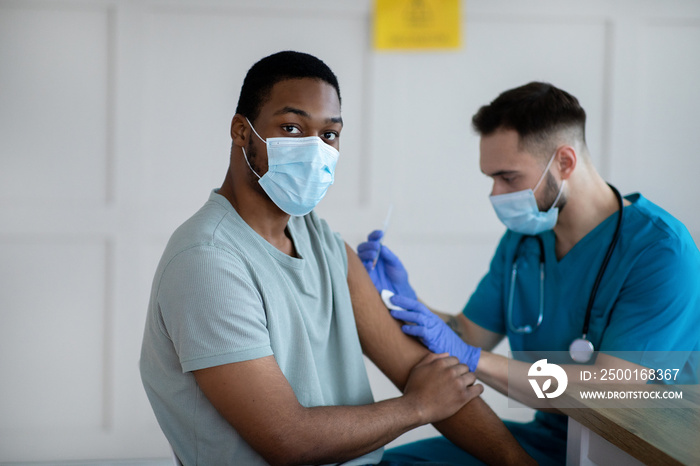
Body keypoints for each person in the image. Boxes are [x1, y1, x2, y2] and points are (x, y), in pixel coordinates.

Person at [139, 51, 535, 466]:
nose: (314, 149)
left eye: (329, 134)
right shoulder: (208, 261)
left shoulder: (323, 243)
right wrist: (417, 408)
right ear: (242, 131)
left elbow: (420, 368)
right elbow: (287, 439)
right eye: (291, 128)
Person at [358, 82, 700, 465]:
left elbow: (611, 392)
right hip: (551, 440)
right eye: (491, 178)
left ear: (565, 163)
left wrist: (472, 359)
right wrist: (402, 299)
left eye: (508, 178)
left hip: (635, 451)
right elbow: (469, 335)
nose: (495, 194)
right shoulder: (525, 241)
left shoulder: (661, 251)